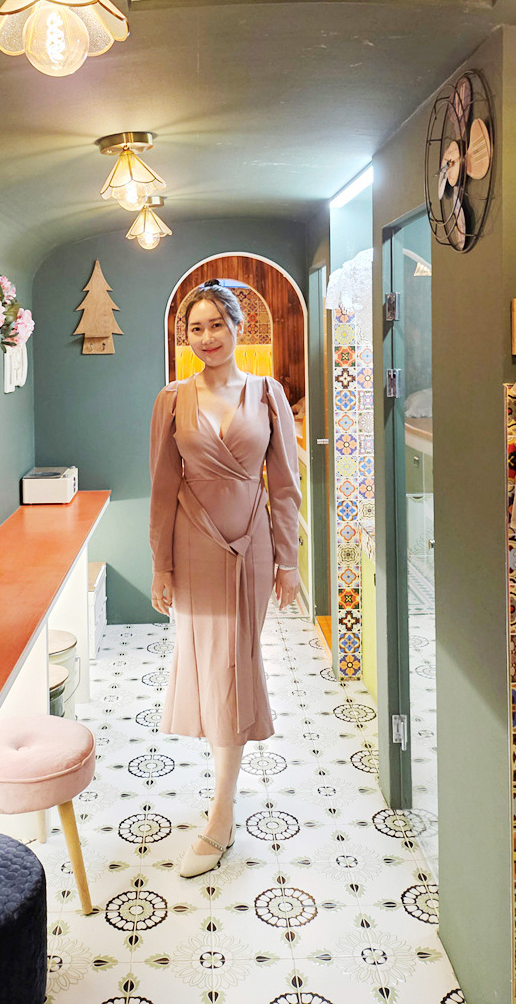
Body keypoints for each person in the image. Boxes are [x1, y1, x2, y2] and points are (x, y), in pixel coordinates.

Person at [149, 279, 301, 878]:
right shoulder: (171, 399)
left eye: (217, 324)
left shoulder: (267, 394)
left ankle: (221, 813)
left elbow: (284, 486)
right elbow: (162, 488)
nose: (207, 337)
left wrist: (288, 561)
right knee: (212, 667)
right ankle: (222, 807)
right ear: (185, 338)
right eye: (196, 328)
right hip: (193, 547)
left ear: (238, 328)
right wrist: (161, 563)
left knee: (234, 664)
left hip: (251, 549)